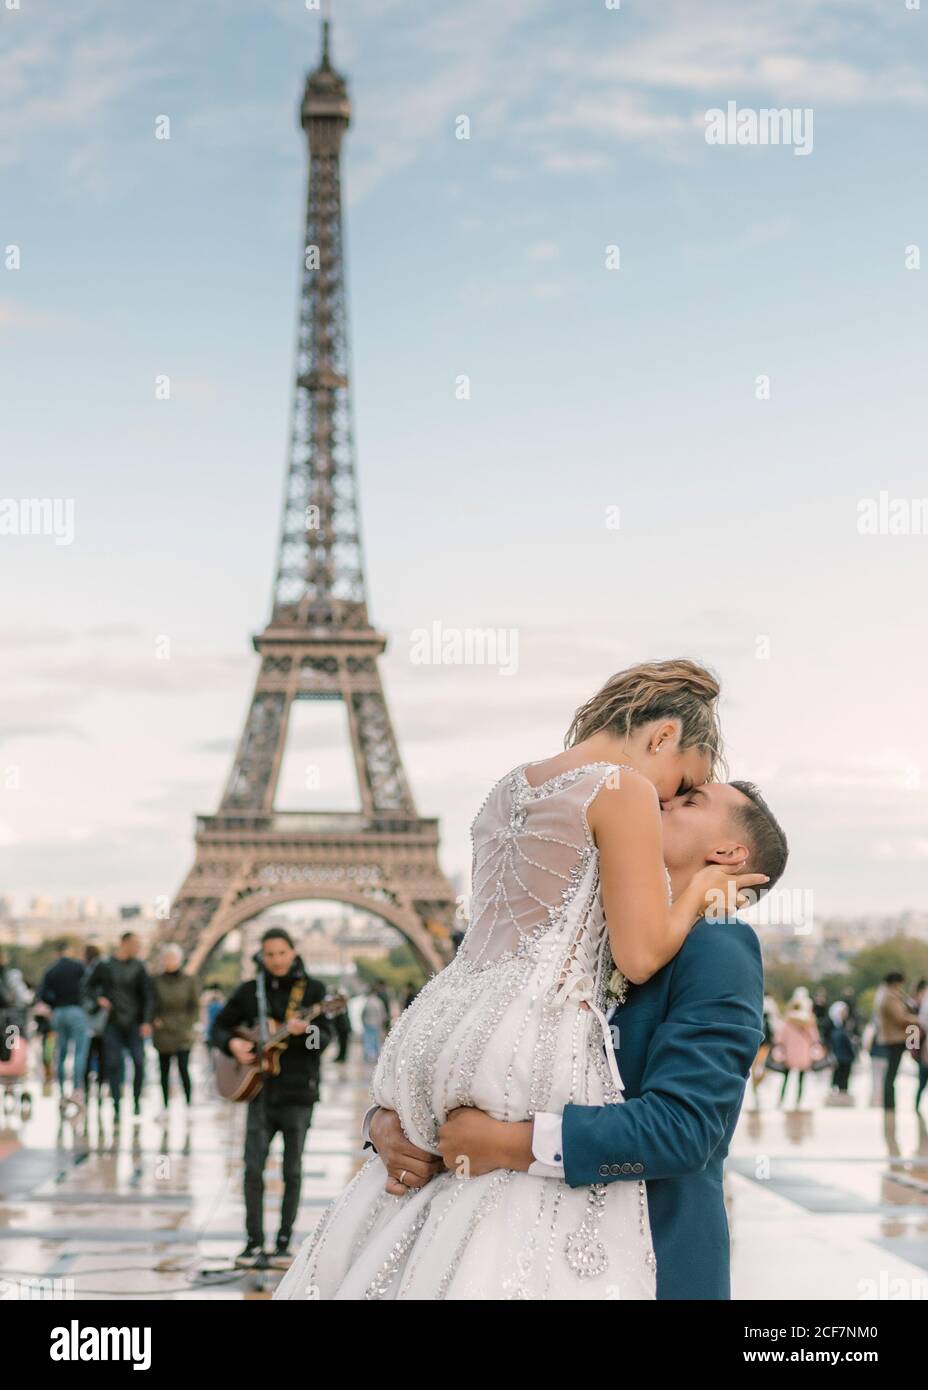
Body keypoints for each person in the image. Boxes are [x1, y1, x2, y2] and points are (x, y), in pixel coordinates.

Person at [275, 659, 774, 1301]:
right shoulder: (587, 888)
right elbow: (477, 1047)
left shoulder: (718, 944)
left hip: (648, 1258)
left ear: (729, 857)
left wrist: (513, 1144)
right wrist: (388, 1124)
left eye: (691, 797)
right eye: (679, 784)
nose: (663, 797)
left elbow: (687, 1129)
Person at [211, 928, 333, 1270]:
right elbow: (218, 1028)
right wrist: (232, 1044)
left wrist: (306, 1032)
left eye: (282, 953)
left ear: (293, 952)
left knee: (291, 1170)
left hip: (298, 1093)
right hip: (260, 1093)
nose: (276, 960)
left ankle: (283, 1243)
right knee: (253, 1169)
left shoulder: (315, 992)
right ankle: (252, 1243)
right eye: (270, 954)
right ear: (261, 956)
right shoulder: (251, 992)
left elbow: (324, 1041)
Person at [84, 932, 155, 1123]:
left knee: (139, 1062)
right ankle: (116, 1105)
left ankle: (136, 1100)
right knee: (113, 1065)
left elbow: (148, 996)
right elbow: (87, 987)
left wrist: (146, 1021)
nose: (138, 948)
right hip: (113, 1023)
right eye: (136, 944)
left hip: (134, 1024)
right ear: (124, 943)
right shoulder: (105, 965)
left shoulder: (139, 967)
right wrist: (99, 1000)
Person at [37, 938, 90, 1112]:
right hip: (76, 1010)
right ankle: (77, 1090)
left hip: (58, 1013)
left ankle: (61, 1092)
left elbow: (43, 995)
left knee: (61, 1052)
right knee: (80, 1052)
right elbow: (89, 987)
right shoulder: (79, 967)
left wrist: (54, 1004)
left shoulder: (51, 971)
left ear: (56, 953)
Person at [152, 944, 199, 1119]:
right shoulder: (156, 981)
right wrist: (154, 1019)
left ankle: (188, 1105)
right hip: (163, 1031)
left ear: (179, 960)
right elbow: (152, 1004)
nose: (169, 962)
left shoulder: (189, 980)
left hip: (182, 1031)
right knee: (163, 1071)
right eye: (167, 958)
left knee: (183, 1069)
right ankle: (165, 1106)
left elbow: (195, 1006)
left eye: (172, 958)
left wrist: (189, 1025)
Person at [876, 971, 921, 1112]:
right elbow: (900, 1018)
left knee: (892, 1072)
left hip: (898, 1037)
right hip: (896, 1038)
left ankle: (890, 1104)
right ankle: (889, 1104)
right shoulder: (890, 997)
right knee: (892, 1073)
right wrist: (918, 1020)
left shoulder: (888, 995)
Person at [773, 987, 822, 1108]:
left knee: (786, 1078)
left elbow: (779, 1038)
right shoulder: (809, 1021)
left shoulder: (788, 1020)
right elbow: (815, 1038)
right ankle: (798, 1101)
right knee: (801, 1079)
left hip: (789, 1054)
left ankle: (781, 1099)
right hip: (803, 1054)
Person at [827, 1000, 857, 1102]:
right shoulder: (830, 1023)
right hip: (837, 1053)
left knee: (845, 1073)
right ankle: (835, 1089)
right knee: (838, 1072)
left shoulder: (848, 1023)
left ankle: (843, 1090)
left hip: (846, 1053)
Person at [360, 986, 387, 1062]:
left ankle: (369, 1055)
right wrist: (381, 1023)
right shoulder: (378, 1002)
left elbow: (363, 1013)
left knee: (368, 1039)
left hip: (367, 1023)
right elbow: (382, 1014)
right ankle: (376, 1054)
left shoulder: (367, 1002)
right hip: (376, 1023)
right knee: (375, 1039)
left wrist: (363, 1022)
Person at [916, 980, 928, 1114]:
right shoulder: (916, 1007)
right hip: (922, 1049)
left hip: (922, 1048)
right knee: (922, 1080)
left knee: (922, 1081)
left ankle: (916, 1106)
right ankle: (916, 1106)